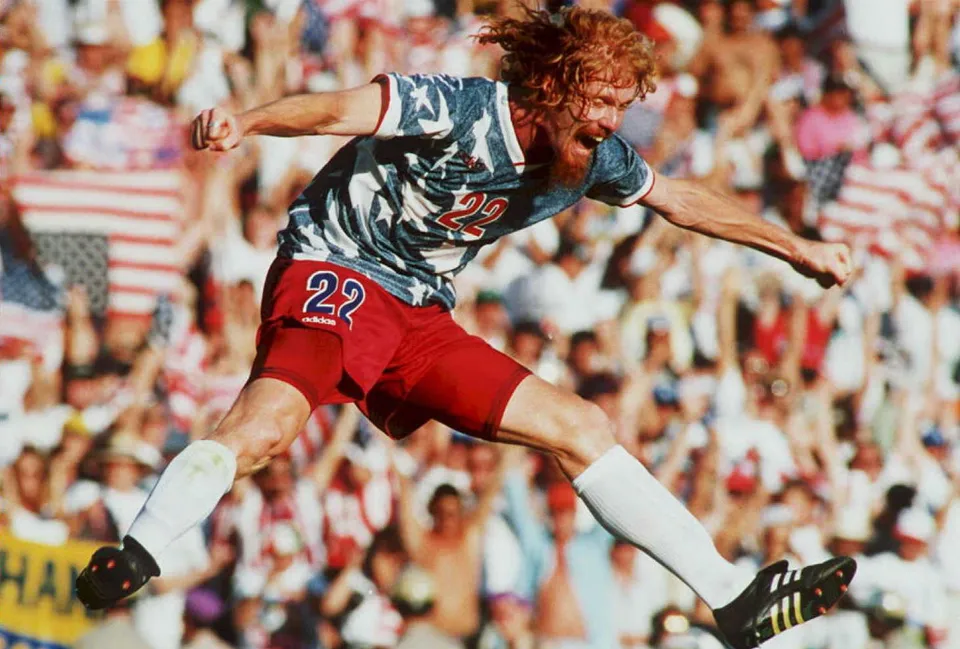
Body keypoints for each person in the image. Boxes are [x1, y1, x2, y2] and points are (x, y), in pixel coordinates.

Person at [76, 7, 857, 649]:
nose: (613, 122)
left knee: (579, 424)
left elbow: (681, 197)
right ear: (549, 87)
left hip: (419, 310)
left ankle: (730, 598)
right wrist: (247, 122)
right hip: (337, 269)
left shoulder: (591, 159)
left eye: (624, 106)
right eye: (600, 102)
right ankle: (138, 548)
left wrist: (797, 247)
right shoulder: (454, 107)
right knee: (271, 423)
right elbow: (339, 109)